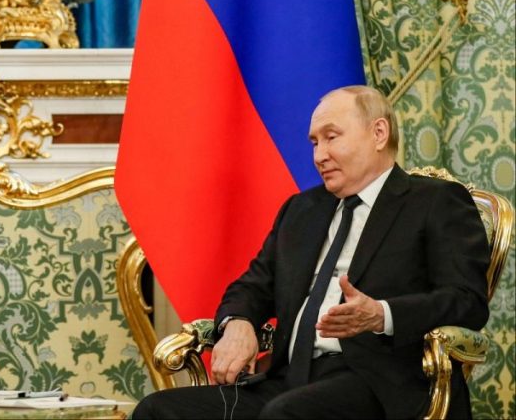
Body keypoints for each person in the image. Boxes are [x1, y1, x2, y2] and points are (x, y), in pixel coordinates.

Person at [132, 85, 489, 419]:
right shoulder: (301, 210)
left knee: (286, 414)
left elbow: (467, 300)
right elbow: (252, 286)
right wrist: (238, 323)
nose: (319, 156)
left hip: (379, 383)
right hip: (290, 377)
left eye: (332, 137)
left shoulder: (434, 201)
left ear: (379, 133)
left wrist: (382, 314)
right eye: (314, 142)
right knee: (158, 410)